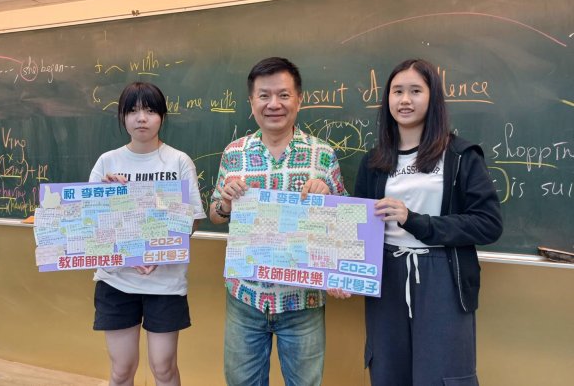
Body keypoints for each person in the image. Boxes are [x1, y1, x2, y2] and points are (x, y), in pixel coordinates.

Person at [350, 58, 502, 385]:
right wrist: (344, 271)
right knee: (387, 370)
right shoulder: (374, 161)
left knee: (442, 373)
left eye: (416, 91)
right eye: (397, 91)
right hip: (387, 275)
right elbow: (358, 227)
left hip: (443, 274)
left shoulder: (460, 155)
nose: (405, 100)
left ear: (433, 98)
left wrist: (416, 221)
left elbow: (488, 223)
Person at [209, 57, 347, 386]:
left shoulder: (322, 154)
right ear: (251, 102)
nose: (274, 104)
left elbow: (344, 223)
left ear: (299, 99)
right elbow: (215, 214)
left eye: (284, 95)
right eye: (264, 95)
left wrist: (327, 197)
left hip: (303, 300)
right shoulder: (234, 153)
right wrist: (225, 203)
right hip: (245, 297)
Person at [89, 81, 206, 386]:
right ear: (122, 116)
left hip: (165, 282)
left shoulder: (178, 161)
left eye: (150, 111)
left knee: (164, 368)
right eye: (133, 111)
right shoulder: (107, 162)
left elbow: (192, 220)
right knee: (121, 370)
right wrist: (105, 196)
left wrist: (158, 251)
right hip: (116, 280)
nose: (141, 118)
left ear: (162, 117)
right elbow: (92, 225)